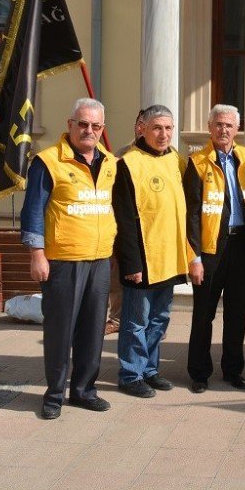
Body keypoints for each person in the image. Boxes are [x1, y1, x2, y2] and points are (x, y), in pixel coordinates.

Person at [21, 98, 117, 420]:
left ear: (103, 129)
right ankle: (53, 395)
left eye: (96, 126)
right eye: (83, 124)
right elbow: (33, 210)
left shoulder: (110, 162)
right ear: (70, 124)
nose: (89, 130)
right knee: (60, 331)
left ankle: (84, 391)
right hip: (62, 261)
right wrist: (37, 253)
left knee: (93, 331)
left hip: (100, 260)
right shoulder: (47, 162)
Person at [183, 104, 245, 393]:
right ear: (210, 127)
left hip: (241, 245)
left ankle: (233, 370)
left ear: (237, 128)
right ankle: (199, 373)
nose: (223, 130)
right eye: (218, 124)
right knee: (203, 313)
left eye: (229, 125)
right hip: (209, 249)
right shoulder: (197, 162)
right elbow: (191, 214)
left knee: (236, 313)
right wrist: (193, 256)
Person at [112, 104, 191, 398]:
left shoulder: (177, 161)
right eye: (157, 128)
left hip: (170, 257)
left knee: (160, 319)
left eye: (169, 128)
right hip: (143, 259)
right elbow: (123, 219)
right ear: (141, 128)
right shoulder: (127, 163)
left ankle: (149, 369)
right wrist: (131, 262)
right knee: (136, 321)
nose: (164, 134)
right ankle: (130, 373)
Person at [105, 109, 146, 336]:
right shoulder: (121, 155)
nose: (141, 128)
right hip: (123, 227)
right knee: (118, 278)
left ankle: (144, 320)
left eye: (145, 123)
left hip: (149, 229)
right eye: (138, 123)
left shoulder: (166, 156)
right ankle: (117, 318)